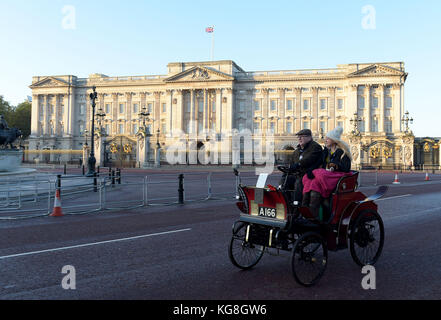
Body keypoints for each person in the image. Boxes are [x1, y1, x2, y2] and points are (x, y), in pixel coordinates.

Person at [302, 126, 352, 219]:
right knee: (312, 187)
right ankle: (309, 215)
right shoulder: (326, 151)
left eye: (328, 138)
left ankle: (313, 218)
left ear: (334, 140)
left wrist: (335, 166)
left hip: (335, 178)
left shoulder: (342, 152)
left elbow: (346, 167)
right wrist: (311, 170)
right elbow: (319, 163)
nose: (325, 140)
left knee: (320, 173)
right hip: (325, 178)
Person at [282, 129, 323, 203]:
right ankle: (286, 203)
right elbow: (291, 164)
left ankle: (297, 205)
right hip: (297, 175)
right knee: (284, 180)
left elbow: (309, 160)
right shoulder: (297, 151)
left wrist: (298, 164)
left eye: (302, 136)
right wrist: (287, 171)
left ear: (309, 137)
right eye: (298, 137)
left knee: (299, 182)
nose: (299, 138)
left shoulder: (315, 147)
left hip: (309, 175)